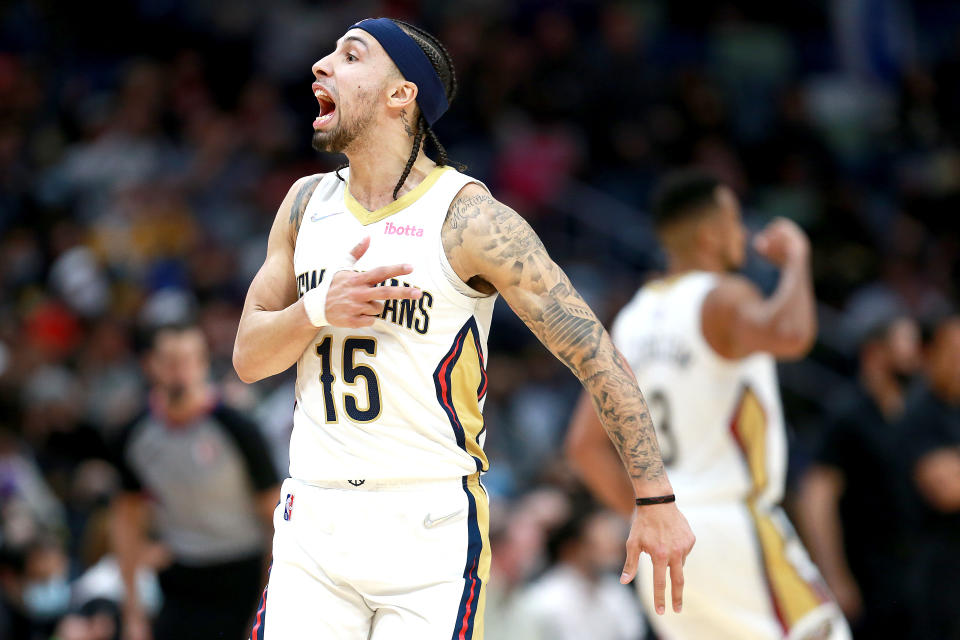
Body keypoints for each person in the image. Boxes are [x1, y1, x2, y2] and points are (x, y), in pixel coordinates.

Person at [232, 17, 694, 640]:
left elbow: (594, 353)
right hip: (312, 518)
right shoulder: (303, 204)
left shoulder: (469, 219)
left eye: (350, 55)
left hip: (428, 528)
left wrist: (655, 499)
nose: (320, 64)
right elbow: (247, 358)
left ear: (401, 95)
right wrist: (317, 309)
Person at [566, 170, 850, 640]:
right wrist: (798, 259)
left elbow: (582, 447)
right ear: (710, 233)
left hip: (664, 532)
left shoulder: (632, 320)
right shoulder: (723, 295)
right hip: (732, 524)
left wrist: (646, 512)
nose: (742, 234)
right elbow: (793, 334)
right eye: (736, 221)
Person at [111, 322, 279, 640]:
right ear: (152, 365)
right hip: (180, 577)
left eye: (189, 360)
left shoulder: (238, 429)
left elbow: (275, 520)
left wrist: (266, 603)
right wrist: (132, 611)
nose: (180, 372)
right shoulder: (134, 435)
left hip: (242, 575)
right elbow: (126, 522)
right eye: (171, 361)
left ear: (203, 364)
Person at [796, 314, 920, 638]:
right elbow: (816, 497)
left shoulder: (916, 410)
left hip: (914, 571)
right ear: (874, 352)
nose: (915, 352)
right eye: (906, 342)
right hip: (865, 572)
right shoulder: (846, 413)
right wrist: (834, 575)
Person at [900, 314, 960, 640]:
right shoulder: (920, 412)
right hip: (934, 575)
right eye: (952, 351)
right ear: (929, 355)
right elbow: (947, 490)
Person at [516, 507, 646, 640]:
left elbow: (633, 632)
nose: (612, 547)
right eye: (598, 544)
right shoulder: (543, 600)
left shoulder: (616, 591)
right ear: (572, 548)